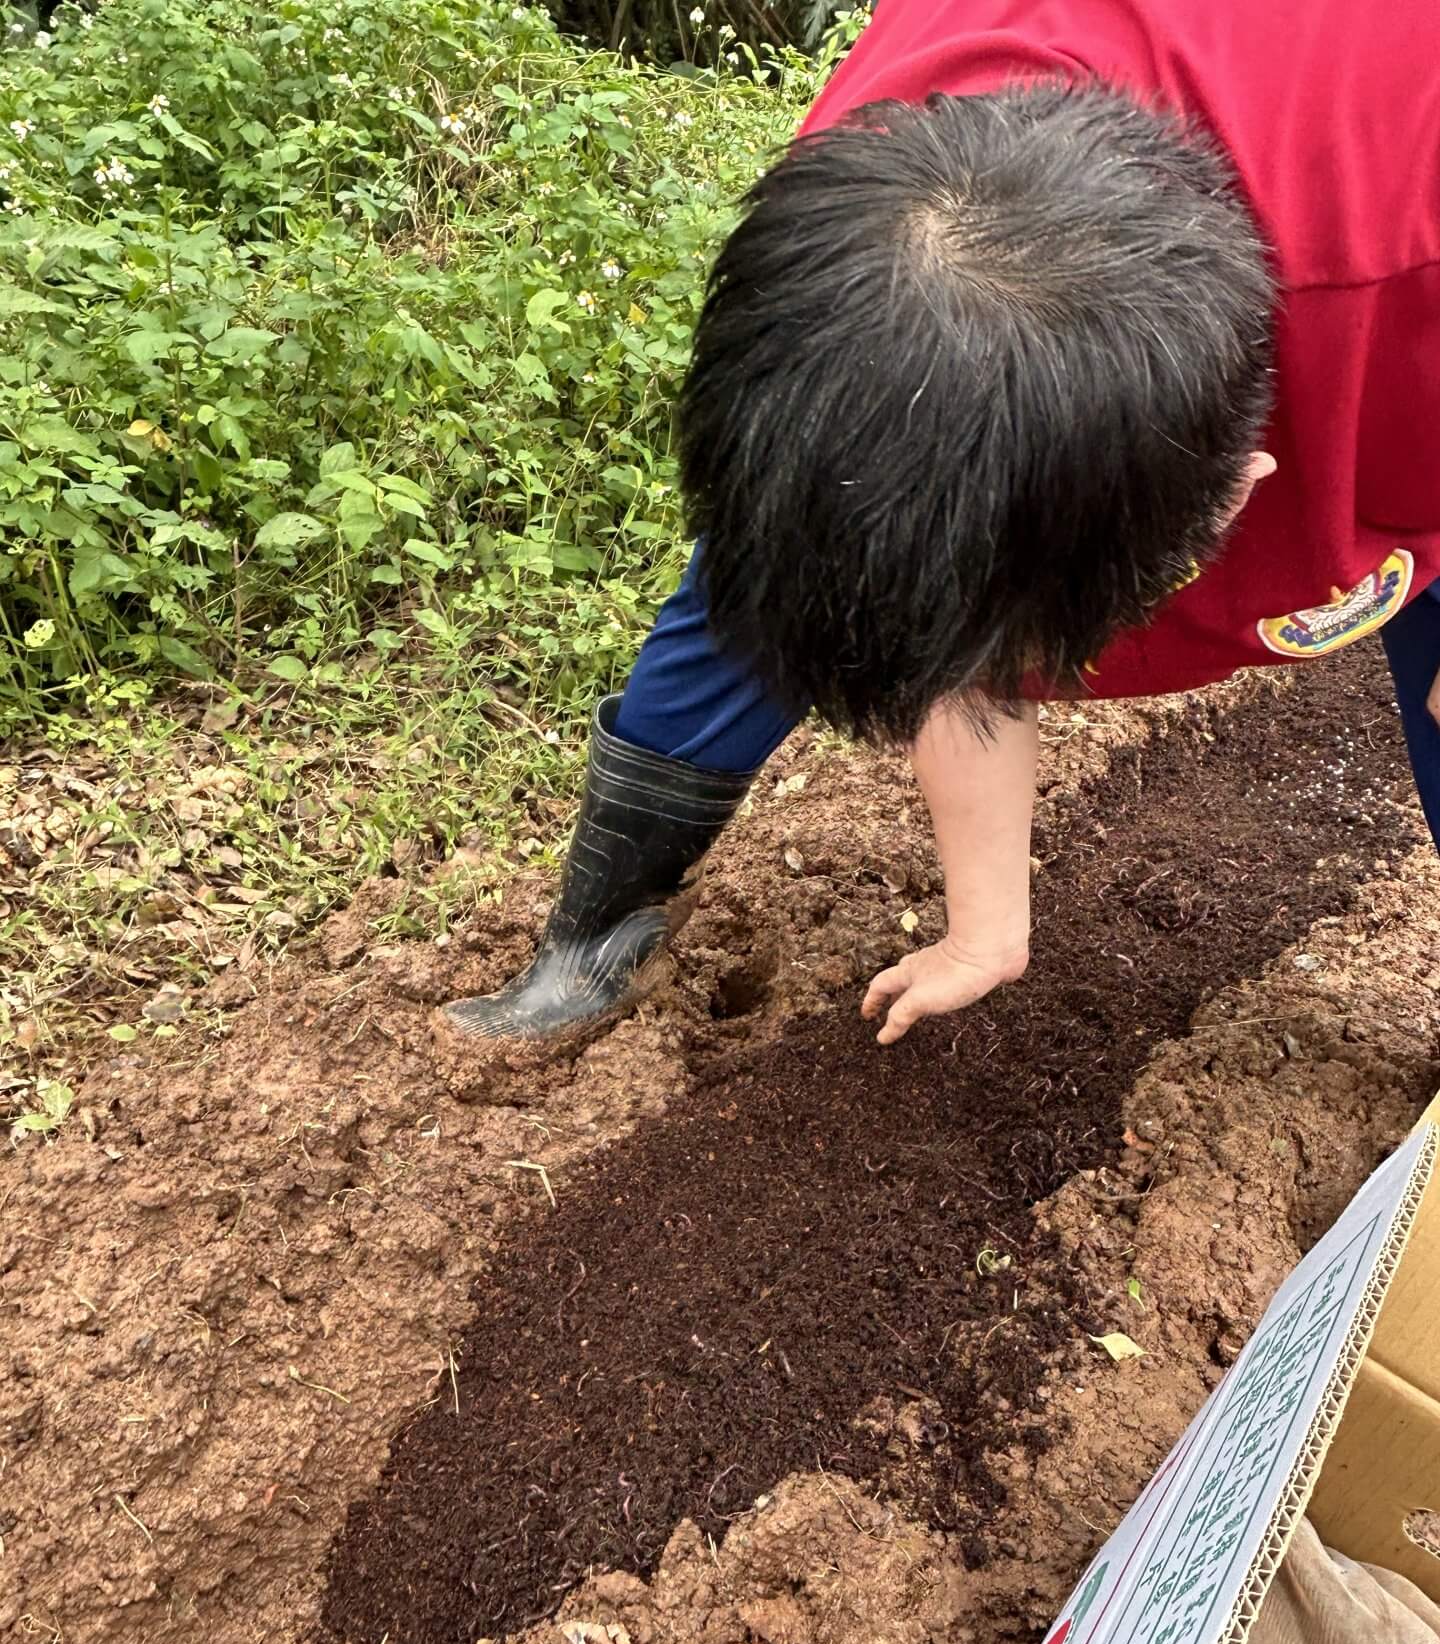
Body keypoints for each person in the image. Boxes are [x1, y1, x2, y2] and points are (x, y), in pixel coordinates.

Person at [445, 0, 1440, 1051]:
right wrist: (984, 927)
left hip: (1388, 275)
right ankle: (595, 933)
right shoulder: (880, 209)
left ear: (1238, 494)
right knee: (812, 554)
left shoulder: (1404, 260)